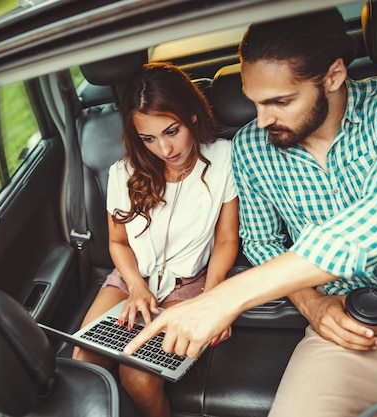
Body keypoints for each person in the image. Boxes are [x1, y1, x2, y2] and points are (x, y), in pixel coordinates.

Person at [125, 9, 377, 417]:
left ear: (334, 76)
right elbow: (260, 240)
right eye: (254, 102)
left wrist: (221, 298)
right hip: (349, 318)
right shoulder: (253, 147)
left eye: (280, 101)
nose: (261, 119)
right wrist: (312, 305)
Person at [72, 62, 238, 417]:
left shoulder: (224, 158)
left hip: (188, 284)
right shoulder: (124, 171)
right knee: (83, 362)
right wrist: (135, 285)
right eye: (148, 138)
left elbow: (226, 240)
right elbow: (117, 243)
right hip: (131, 279)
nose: (164, 148)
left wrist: (214, 298)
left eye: (171, 131)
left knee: (139, 377)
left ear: (192, 116)